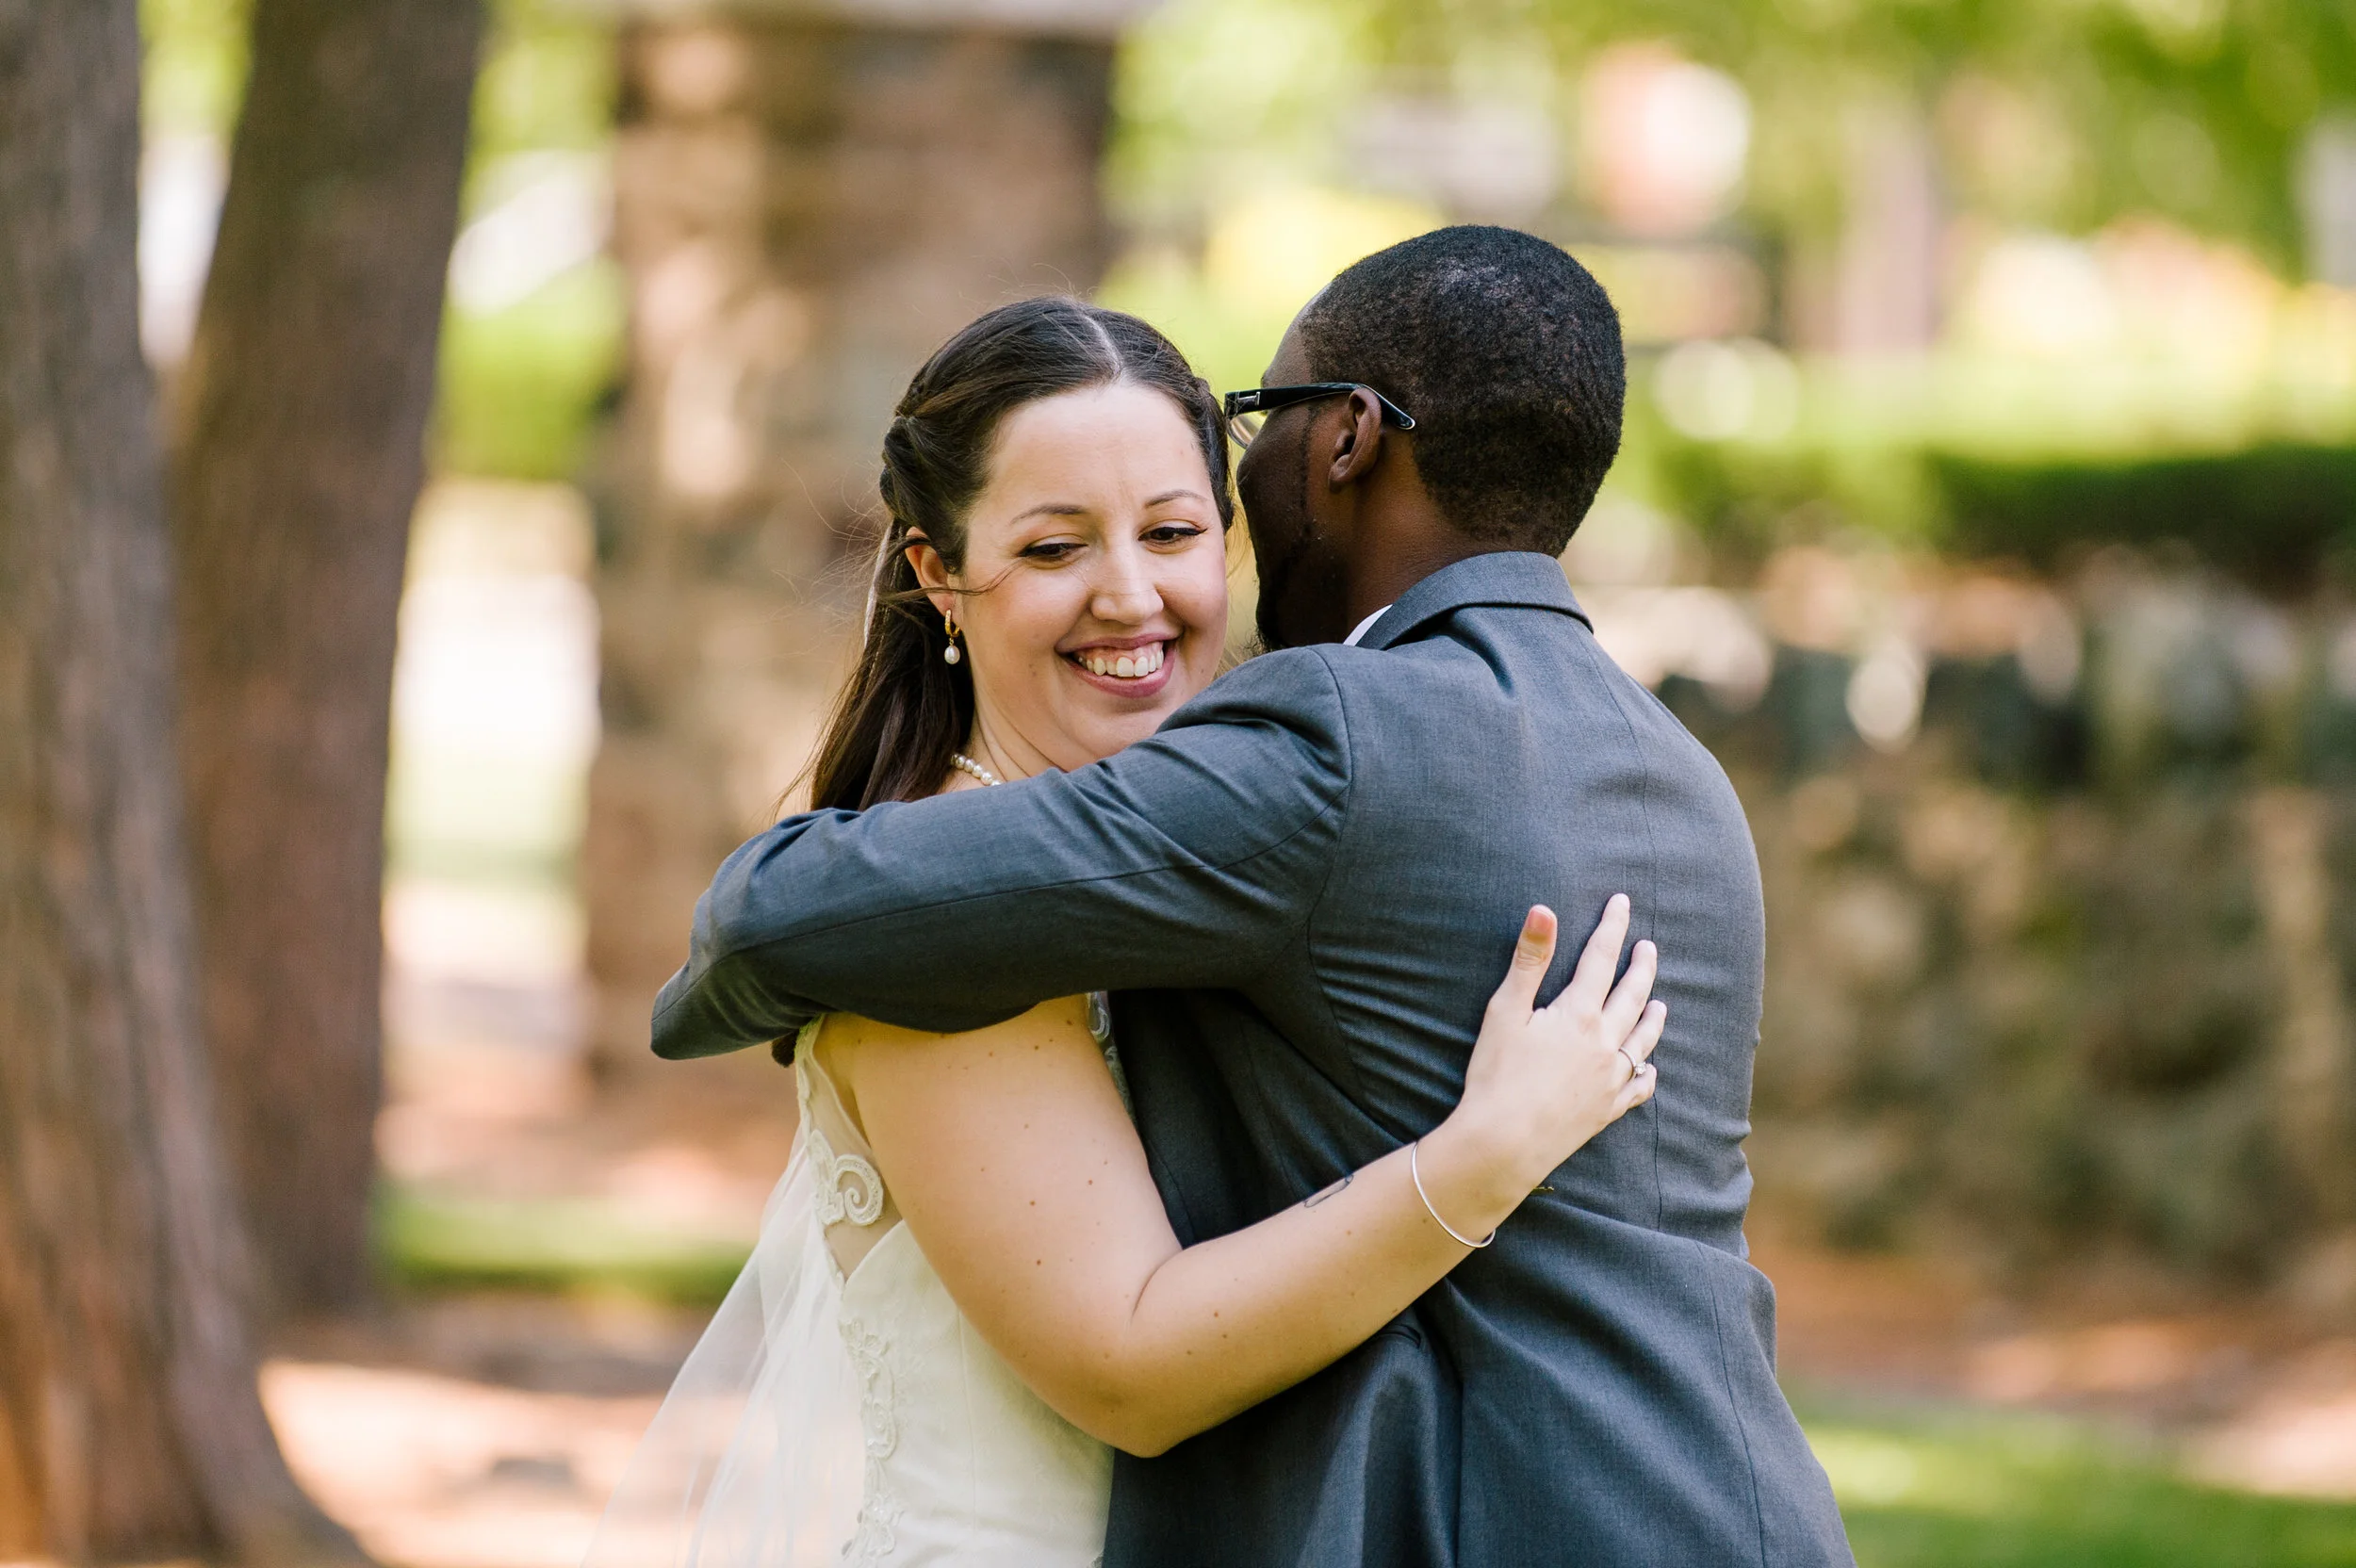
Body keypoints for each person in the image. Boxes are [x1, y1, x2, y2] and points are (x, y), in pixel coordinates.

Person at [651, 226, 1858, 1567]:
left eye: (1177, 530)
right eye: (1053, 548)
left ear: (1342, 443)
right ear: (938, 571)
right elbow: (1129, 1360)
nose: (1134, 595)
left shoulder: (1297, 783)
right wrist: (1477, 1159)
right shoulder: (1670, 770)